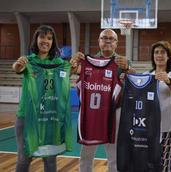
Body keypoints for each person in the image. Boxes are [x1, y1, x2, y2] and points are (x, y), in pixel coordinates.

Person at [70, 28, 134, 172]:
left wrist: (128, 67)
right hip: (92, 113)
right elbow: (70, 73)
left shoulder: (122, 62)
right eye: (104, 38)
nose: (107, 41)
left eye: (111, 39)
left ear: (117, 43)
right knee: (87, 152)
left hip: (114, 112)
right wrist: (72, 63)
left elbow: (136, 78)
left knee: (114, 153)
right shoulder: (87, 62)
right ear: (99, 41)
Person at [12, 25, 72, 172]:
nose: (45, 41)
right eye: (42, 37)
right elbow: (17, 68)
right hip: (27, 117)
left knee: (50, 159)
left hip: (50, 117)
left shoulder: (59, 63)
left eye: (49, 38)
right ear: (36, 39)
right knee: (24, 158)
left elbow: (74, 70)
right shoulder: (28, 61)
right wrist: (18, 64)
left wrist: (76, 64)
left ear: (53, 42)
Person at [144, 41, 171, 172]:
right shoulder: (146, 75)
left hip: (168, 126)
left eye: (162, 52)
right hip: (149, 126)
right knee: (148, 160)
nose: (159, 55)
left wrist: (167, 80)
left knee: (165, 161)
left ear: (168, 56)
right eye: (156, 52)